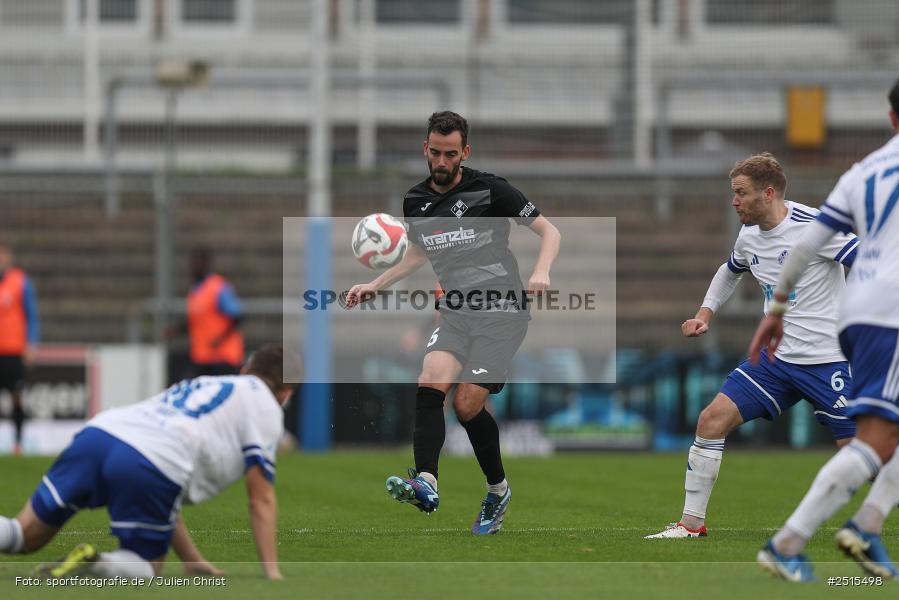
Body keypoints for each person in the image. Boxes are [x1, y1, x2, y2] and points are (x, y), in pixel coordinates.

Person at [345, 111, 561, 535]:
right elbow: (420, 254)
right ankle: (426, 480)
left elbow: (550, 232)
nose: (442, 162)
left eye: (451, 154)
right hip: (458, 310)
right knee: (430, 382)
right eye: (436, 153)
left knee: (466, 405)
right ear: (426, 149)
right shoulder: (415, 202)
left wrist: (542, 271)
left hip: (503, 313)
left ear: (465, 152)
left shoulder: (491, 190)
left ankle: (497, 491)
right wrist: (376, 283)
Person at [646, 153, 859, 539]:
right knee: (711, 421)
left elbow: (869, 261)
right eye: (734, 193)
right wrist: (704, 314)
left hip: (829, 361)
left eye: (741, 193)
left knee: (861, 452)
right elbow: (729, 270)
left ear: (768, 193)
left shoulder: (816, 228)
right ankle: (691, 524)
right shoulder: (748, 237)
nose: (734, 201)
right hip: (775, 361)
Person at [751, 79, 899, 582]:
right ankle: (791, 540)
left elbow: (807, 241)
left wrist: (777, 307)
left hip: (859, 313)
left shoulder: (864, 170)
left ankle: (866, 525)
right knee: (875, 439)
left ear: (892, 118)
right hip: (894, 311)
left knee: (887, 435)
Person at [0, 343, 298, 580]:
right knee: (146, 565)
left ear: (246, 369)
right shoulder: (267, 408)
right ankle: (92, 564)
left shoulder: (207, 383)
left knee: (24, 535)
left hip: (98, 435)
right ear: (285, 393)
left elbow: (168, 499)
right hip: (149, 459)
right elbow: (261, 499)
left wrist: (192, 560)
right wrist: (272, 571)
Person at [169, 247, 245, 377]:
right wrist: (176, 330)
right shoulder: (195, 290)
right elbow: (196, 321)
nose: (195, 266)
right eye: (193, 263)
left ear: (206, 263)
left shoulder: (218, 287)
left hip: (223, 357)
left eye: (199, 262)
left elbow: (237, 317)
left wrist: (219, 340)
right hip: (202, 356)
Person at [0, 237, 40, 455]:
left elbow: (32, 315)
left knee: (16, 396)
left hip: (13, 351)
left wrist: (31, 344)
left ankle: (18, 443)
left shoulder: (20, 282)